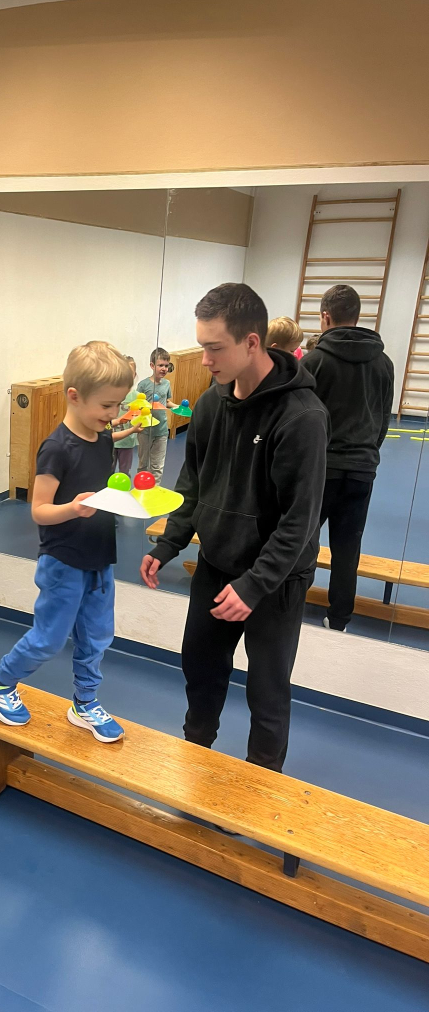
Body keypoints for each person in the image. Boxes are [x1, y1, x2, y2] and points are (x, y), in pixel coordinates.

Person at [140, 283, 328, 772]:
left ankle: (261, 785)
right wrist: (168, 544)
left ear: (252, 342)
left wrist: (254, 585)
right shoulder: (209, 404)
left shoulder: (302, 417)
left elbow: (299, 521)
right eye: (201, 346)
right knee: (201, 671)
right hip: (216, 564)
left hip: (275, 581)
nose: (204, 360)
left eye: (214, 348)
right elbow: (193, 484)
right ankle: (194, 760)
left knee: (267, 691)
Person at [0, 341, 133, 743]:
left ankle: (85, 703)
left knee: (96, 637)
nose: (113, 414)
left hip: (100, 558)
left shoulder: (104, 440)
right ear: (74, 396)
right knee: (48, 639)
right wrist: (73, 509)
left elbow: (101, 493)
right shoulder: (56, 448)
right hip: (64, 561)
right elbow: (39, 510)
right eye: (107, 405)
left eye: (118, 405)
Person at [301, 284, 394, 632]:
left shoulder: (314, 361)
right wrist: (367, 453)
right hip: (361, 469)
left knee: (303, 538)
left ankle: (291, 603)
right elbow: (383, 419)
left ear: (325, 317)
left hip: (321, 468)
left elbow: (301, 419)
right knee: (348, 546)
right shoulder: (384, 362)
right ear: (357, 316)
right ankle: (339, 617)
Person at [137, 347, 176, 485]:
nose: (164, 369)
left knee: (157, 466)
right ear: (152, 365)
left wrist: (178, 407)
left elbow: (167, 402)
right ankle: (141, 487)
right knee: (143, 464)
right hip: (145, 431)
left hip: (162, 431)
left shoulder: (167, 384)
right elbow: (138, 406)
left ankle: (155, 489)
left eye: (166, 365)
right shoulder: (143, 385)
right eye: (160, 365)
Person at [111, 356, 140, 475]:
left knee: (125, 471)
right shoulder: (110, 394)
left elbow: (140, 415)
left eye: (129, 374)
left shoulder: (137, 396)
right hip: (111, 439)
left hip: (127, 441)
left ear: (134, 375)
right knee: (108, 471)